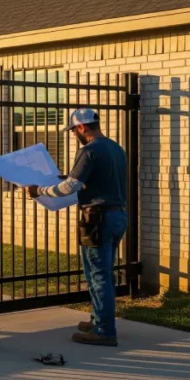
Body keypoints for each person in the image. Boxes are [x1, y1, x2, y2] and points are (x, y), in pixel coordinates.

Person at [26, 108, 127, 346]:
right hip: (118, 215)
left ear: (81, 127)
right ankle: (99, 319)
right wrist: (69, 178)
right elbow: (95, 180)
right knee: (104, 271)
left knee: (97, 273)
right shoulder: (115, 148)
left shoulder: (89, 150)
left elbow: (70, 187)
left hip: (97, 219)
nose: (73, 135)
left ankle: (104, 331)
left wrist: (38, 191)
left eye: (73, 131)